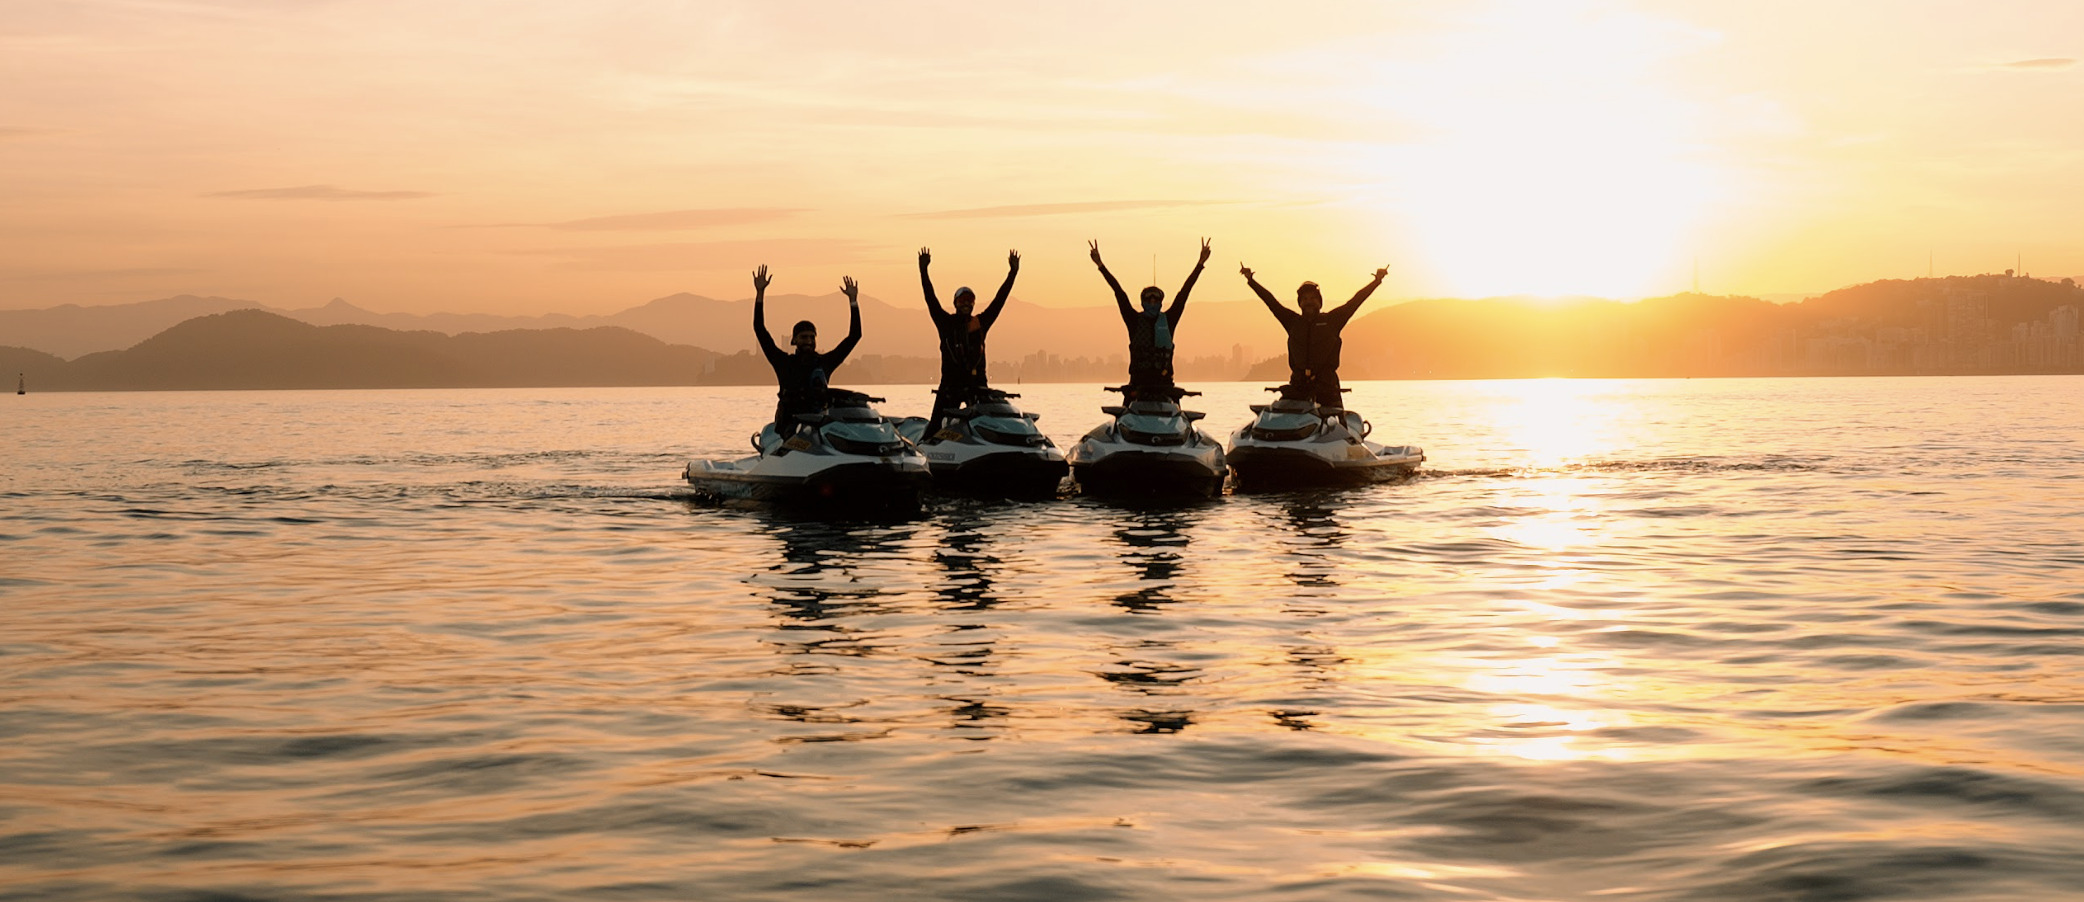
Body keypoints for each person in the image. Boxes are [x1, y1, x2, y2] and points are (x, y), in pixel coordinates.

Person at [1239, 263, 1388, 407]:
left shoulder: (1333, 320)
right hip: (1298, 386)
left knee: (1334, 423)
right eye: (1304, 299)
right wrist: (1251, 281)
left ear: (1319, 302)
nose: (1308, 302)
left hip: (1327, 387)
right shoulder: (1292, 322)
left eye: (1312, 299)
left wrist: (1376, 281)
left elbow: (1356, 301)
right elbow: (1271, 302)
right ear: (1300, 304)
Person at [1090, 238, 1210, 400]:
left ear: (1161, 302)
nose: (1152, 303)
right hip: (1137, 387)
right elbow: (1118, 292)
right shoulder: (1133, 320)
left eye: (1156, 300)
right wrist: (1101, 266)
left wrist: (1200, 264)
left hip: (1165, 386)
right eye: (1148, 300)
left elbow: (1184, 293)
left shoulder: (1169, 319)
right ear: (1142, 302)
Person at [752, 264, 862, 440]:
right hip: (789, 429)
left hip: (819, 428)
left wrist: (853, 301)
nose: (809, 342)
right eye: (804, 337)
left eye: (812, 337)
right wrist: (760, 294)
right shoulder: (783, 362)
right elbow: (760, 329)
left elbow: (855, 336)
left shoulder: (825, 363)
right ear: (794, 340)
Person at [919, 246, 1018, 435]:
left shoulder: (981, 323)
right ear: (955, 303)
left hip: (977, 387)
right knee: (933, 429)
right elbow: (929, 297)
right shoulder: (945, 323)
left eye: (970, 300)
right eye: (962, 300)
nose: (966, 303)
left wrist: (1013, 272)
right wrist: (923, 270)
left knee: (991, 424)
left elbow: (1000, 300)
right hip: (950, 387)